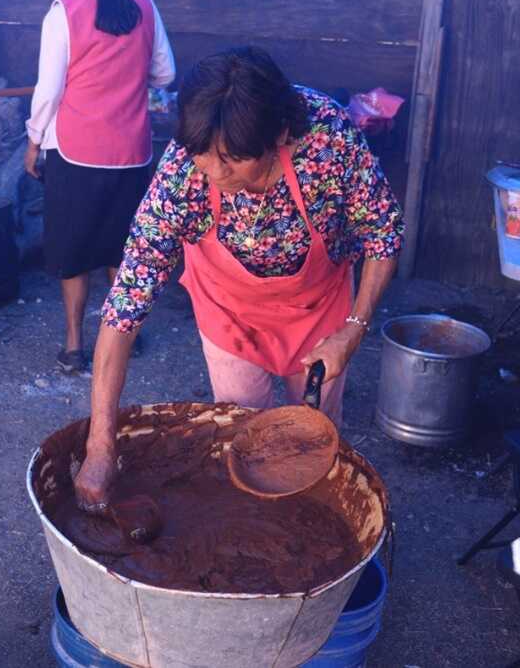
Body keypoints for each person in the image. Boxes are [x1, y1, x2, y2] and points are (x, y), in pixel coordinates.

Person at [73, 47, 405, 509]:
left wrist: (354, 330)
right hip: (228, 312)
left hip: (319, 308)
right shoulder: (181, 175)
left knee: (313, 436)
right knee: (242, 430)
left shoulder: (329, 140)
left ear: (280, 135)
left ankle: (308, 519)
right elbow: (124, 308)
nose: (215, 171)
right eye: (202, 155)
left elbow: (383, 234)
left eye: (232, 159)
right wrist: (100, 447)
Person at [24, 0, 176, 374]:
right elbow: (164, 73)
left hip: (76, 153)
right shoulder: (143, 4)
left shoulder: (63, 15)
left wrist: (33, 142)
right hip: (132, 151)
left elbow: (49, 91)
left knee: (72, 251)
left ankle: (74, 347)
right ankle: (124, 334)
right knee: (121, 248)